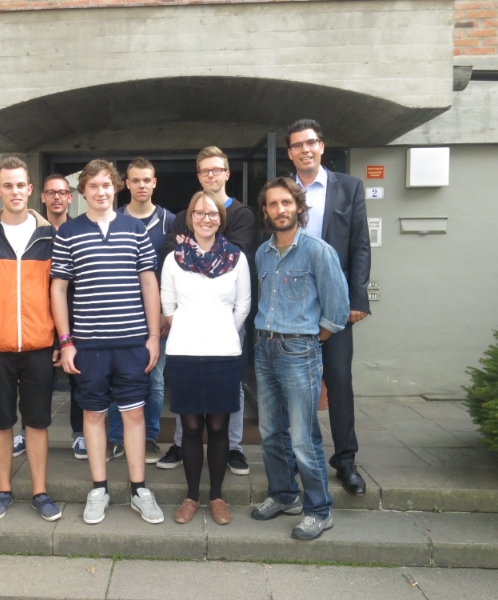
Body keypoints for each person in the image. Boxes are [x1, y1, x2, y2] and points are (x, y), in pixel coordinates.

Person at [51, 159, 164, 525]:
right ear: (83, 191)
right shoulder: (69, 232)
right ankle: (99, 488)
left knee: (134, 414)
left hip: (132, 343)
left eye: (106, 185)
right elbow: (58, 289)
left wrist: (153, 337)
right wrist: (66, 341)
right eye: (93, 186)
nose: (100, 192)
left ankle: (138, 489)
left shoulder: (135, 229)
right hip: (88, 344)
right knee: (94, 414)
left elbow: (149, 283)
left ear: (116, 187)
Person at [0, 156, 62, 522]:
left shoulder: (50, 236)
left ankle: (40, 491)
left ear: (30, 189)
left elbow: (61, 292)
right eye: (8, 185)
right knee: (1, 420)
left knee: (37, 421)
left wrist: (60, 341)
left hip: (39, 347)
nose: (15, 191)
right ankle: (3, 490)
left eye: (21, 185)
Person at [250, 177, 349, 541]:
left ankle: (319, 510)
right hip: (264, 348)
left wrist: (308, 340)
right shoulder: (262, 253)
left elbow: (337, 311)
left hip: (299, 351)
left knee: (303, 438)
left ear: (298, 207)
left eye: (286, 203)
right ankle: (284, 495)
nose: (280, 210)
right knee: (270, 432)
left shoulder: (318, 251)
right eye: (273, 204)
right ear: (265, 211)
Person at [286, 119, 371, 495]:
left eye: (310, 142)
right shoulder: (282, 190)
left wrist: (357, 298)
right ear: (289, 153)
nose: (305, 149)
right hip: (293, 304)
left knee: (338, 378)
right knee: (294, 384)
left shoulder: (348, 187)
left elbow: (360, 245)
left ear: (321, 146)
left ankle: (345, 460)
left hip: (336, 303)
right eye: (297, 145)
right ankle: (295, 456)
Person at [158, 146, 255, 476]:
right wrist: (180, 320)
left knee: (230, 388)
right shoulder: (186, 213)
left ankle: (233, 446)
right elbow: (169, 248)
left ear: (227, 173)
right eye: (204, 171)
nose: (211, 175)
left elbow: (237, 252)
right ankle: (181, 442)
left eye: (216, 170)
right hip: (188, 324)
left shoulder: (241, 213)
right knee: (186, 389)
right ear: (198, 175)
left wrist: (228, 325)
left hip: (225, 316)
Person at [162, 190, 251, 525]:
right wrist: (189, 329)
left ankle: (216, 495)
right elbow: (167, 304)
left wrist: (222, 330)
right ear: (190, 218)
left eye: (212, 213)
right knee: (190, 426)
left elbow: (243, 305)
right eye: (199, 213)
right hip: (184, 352)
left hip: (223, 352)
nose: (205, 219)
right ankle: (191, 496)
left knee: (218, 426)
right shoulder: (174, 259)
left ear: (220, 219)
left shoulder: (236, 258)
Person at [12, 174, 87, 460]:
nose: (57, 197)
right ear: (42, 197)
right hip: (36, 317)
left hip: (73, 316)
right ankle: (26, 431)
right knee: (33, 381)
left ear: (70, 198)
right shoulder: (30, 232)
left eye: (62, 193)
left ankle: (80, 434)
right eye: (51, 192)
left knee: (78, 379)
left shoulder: (79, 230)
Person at [107, 157, 175, 464]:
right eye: (135, 180)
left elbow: (177, 272)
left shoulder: (170, 222)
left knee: (155, 380)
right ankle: (116, 438)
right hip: (120, 315)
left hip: (156, 317)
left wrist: (167, 313)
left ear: (154, 182)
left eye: (147, 180)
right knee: (116, 378)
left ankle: (148, 438)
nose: (141, 185)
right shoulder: (114, 219)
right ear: (126, 184)